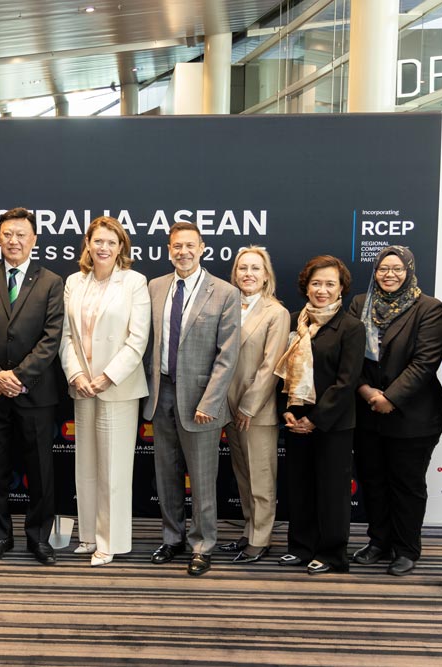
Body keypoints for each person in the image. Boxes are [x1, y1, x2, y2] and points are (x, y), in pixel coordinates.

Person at [0, 207, 65, 566]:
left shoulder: (52, 281)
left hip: (35, 392)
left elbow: (52, 337)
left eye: (21, 234)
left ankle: (39, 539)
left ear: (34, 239)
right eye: (8, 234)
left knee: (41, 469)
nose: (14, 241)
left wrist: (20, 377)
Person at [143, 221, 239, 576]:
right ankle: (172, 538)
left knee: (201, 478)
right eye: (176, 246)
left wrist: (210, 403)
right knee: (166, 473)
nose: (182, 252)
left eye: (189, 246)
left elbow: (227, 356)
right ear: (169, 250)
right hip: (162, 393)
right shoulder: (156, 287)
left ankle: (202, 545)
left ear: (202, 248)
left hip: (201, 400)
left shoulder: (224, 292)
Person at [348, 246, 442, 576]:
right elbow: (349, 355)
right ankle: (379, 542)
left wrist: (390, 397)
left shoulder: (429, 308)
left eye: (397, 268)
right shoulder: (361, 304)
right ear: (374, 272)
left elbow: (425, 362)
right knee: (373, 481)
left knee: (407, 485)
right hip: (366, 412)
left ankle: (406, 548)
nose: (389, 274)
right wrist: (364, 390)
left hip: (412, 416)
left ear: (409, 270)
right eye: (383, 268)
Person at [60, 217, 150, 566]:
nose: (103, 248)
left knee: (114, 469)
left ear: (121, 247)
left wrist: (108, 376)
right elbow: (66, 336)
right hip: (82, 386)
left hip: (118, 387)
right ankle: (87, 536)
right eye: (98, 241)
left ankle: (110, 541)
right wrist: (77, 373)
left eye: (111, 242)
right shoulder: (74, 282)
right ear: (88, 244)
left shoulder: (134, 282)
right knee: (86, 466)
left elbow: (138, 338)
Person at [275, 255, 364, 575]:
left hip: (333, 423)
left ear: (341, 289)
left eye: (329, 284)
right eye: (316, 283)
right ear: (305, 286)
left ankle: (332, 553)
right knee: (299, 487)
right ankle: (300, 546)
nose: (322, 290)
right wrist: (287, 412)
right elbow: (284, 373)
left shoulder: (351, 327)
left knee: (332, 491)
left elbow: (346, 381)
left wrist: (316, 419)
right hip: (295, 419)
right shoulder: (296, 321)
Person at [219, 246, 289, 564]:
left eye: (255, 268)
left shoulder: (276, 313)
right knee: (243, 476)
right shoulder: (227, 307)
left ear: (266, 276)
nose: (248, 273)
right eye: (242, 267)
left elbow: (270, 367)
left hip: (256, 411)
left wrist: (248, 407)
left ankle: (261, 540)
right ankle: (249, 531)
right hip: (228, 408)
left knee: (260, 478)